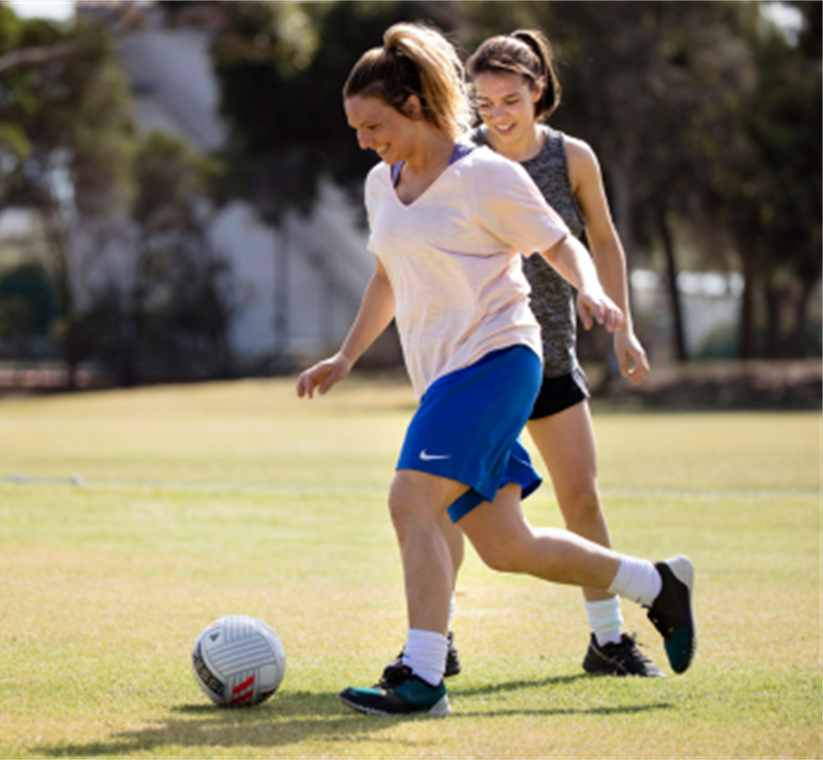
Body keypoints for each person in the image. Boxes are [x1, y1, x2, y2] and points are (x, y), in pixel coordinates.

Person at [295, 21, 695, 717]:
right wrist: (346, 355)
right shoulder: (380, 185)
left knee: (410, 499)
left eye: (373, 123)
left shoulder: (485, 176)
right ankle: (658, 586)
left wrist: (593, 291)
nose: (363, 138)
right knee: (507, 545)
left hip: (499, 359)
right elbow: (388, 277)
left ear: (415, 107)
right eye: (355, 127)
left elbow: (563, 242)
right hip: (444, 379)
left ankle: (422, 676)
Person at [426, 30, 660, 678]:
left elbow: (603, 242)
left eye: (510, 99)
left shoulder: (573, 158)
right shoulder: (462, 161)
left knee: (580, 496)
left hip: (551, 356)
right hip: (479, 361)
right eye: (485, 103)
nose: (497, 115)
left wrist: (623, 326)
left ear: (537, 92)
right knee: (450, 503)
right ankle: (432, 643)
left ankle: (607, 641)